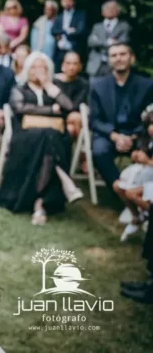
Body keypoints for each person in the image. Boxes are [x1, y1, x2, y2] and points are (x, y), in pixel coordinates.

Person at [0, 52, 83, 224]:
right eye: (34, 67)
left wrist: (47, 84)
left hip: (49, 139)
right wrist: (51, 110)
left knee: (48, 137)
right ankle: (63, 182)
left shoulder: (52, 89)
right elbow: (20, 108)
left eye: (42, 67)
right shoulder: (19, 88)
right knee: (48, 135)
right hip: (25, 137)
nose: (37, 71)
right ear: (27, 69)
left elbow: (69, 106)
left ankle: (39, 202)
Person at [90, 43, 153, 200]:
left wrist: (133, 136)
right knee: (99, 151)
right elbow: (95, 120)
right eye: (114, 55)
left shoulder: (147, 85)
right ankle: (122, 195)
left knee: (148, 150)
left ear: (131, 58)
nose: (118, 58)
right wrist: (115, 136)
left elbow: (149, 118)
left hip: (139, 135)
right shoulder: (97, 86)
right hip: (109, 135)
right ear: (109, 60)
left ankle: (144, 195)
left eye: (123, 54)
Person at [113, 105, 153, 241]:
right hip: (145, 174)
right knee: (118, 186)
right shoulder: (147, 140)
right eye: (150, 123)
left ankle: (147, 214)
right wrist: (137, 156)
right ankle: (137, 216)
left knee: (131, 193)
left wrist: (147, 162)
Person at [86, 0, 131, 78]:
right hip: (96, 66)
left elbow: (123, 42)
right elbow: (91, 42)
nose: (110, 10)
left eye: (112, 8)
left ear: (118, 11)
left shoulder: (124, 26)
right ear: (102, 12)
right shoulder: (97, 26)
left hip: (114, 65)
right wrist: (108, 42)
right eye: (107, 8)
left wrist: (99, 42)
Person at [54, 52, 89, 140]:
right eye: (68, 63)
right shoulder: (54, 81)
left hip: (71, 116)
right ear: (63, 65)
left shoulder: (83, 84)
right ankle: (82, 152)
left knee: (73, 124)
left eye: (75, 64)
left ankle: (80, 150)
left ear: (80, 66)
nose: (71, 67)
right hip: (54, 114)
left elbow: (74, 106)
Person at [52, 0, 87, 67]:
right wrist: (66, 31)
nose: (66, 3)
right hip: (60, 51)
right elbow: (53, 30)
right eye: (64, 0)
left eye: (69, 0)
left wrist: (61, 33)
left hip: (74, 49)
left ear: (73, 1)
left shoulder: (80, 15)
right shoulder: (59, 17)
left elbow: (80, 31)